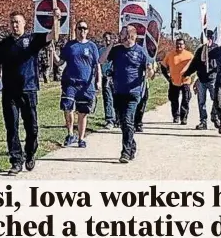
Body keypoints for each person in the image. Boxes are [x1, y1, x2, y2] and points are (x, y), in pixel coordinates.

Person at [0, 10, 56, 175]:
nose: (14, 25)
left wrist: (56, 18)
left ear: (24, 23)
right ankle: (16, 161)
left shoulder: (32, 39)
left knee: (32, 127)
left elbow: (52, 36)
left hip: (29, 89)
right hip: (9, 91)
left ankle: (30, 153)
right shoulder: (4, 44)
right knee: (11, 127)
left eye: (17, 22)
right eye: (12, 22)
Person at [99, 25, 154, 163]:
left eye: (122, 33)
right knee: (123, 122)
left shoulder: (141, 52)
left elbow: (151, 75)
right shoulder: (117, 50)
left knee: (128, 121)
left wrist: (149, 70)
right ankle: (132, 146)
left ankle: (125, 152)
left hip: (134, 93)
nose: (119, 35)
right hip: (118, 91)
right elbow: (101, 60)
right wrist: (111, 43)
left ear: (130, 35)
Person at [51, 20, 102, 148]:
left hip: (86, 85)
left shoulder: (92, 47)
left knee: (82, 112)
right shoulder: (70, 45)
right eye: (80, 28)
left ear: (88, 31)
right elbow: (60, 62)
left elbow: (97, 65)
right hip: (70, 83)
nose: (82, 31)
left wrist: (98, 81)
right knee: (67, 108)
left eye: (85, 28)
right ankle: (70, 134)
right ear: (76, 30)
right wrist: (52, 52)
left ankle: (81, 138)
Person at [183, 30, 219, 130]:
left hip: (213, 79)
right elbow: (194, 64)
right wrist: (187, 74)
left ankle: (214, 116)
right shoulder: (200, 50)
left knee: (216, 100)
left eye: (205, 38)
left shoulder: (216, 49)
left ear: (210, 38)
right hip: (201, 80)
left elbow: (220, 64)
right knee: (201, 102)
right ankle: (203, 122)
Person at [160, 38, 194, 125]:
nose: (179, 46)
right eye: (177, 44)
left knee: (185, 99)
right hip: (174, 81)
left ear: (184, 45)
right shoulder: (170, 55)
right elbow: (163, 66)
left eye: (181, 44)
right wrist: (167, 77)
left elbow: (195, 67)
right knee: (173, 99)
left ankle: (184, 117)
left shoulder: (189, 55)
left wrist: (190, 75)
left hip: (185, 81)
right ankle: (176, 116)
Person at [98, 32, 117, 129]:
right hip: (105, 76)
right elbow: (99, 63)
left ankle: (117, 118)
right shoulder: (101, 50)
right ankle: (109, 119)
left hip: (115, 77)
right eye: (106, 39)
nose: (107, 41)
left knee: (117, 98)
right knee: (108, 98)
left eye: (109, 39)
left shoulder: (115, 50)